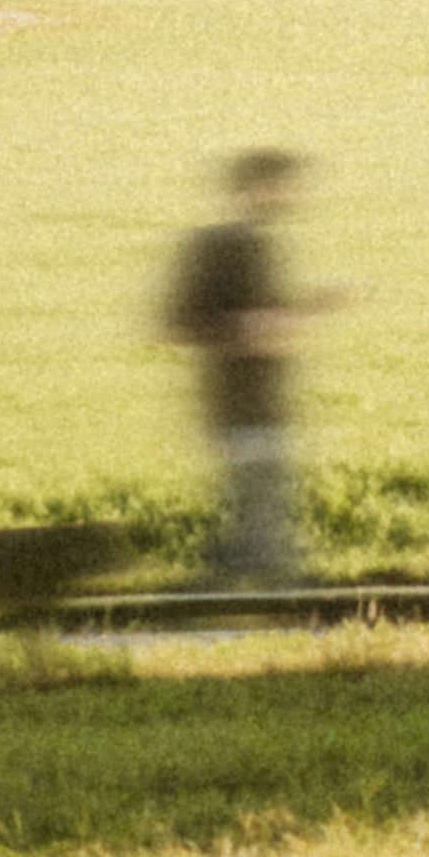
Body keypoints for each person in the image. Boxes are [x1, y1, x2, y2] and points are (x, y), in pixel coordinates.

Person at [164, 147, 336, 590]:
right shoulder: (233, 245)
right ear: (257, 187)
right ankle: (266, 620)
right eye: (284, 185)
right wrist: (306, 311)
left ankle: (219, 602)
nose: (292, 196)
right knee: (263, 540)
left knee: (254, 528)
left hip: (247, 408)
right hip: (247, 411)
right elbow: (191, 324)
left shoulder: (235, 242)